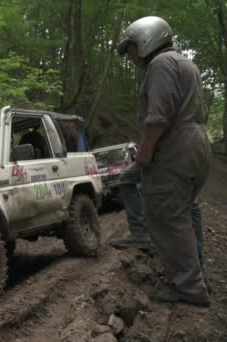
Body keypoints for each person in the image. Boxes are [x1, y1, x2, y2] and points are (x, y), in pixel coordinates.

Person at [117, 16, 212, 306]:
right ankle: (197, 276)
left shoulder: (159, 65)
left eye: (130, 48)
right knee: (187, 209)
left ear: (146, 39)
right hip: (196, 142)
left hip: (174, 148)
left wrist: (144, 153)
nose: (130, 56)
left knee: (169, 217)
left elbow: (158, 118)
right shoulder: (187, 64)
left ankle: (189, 288)